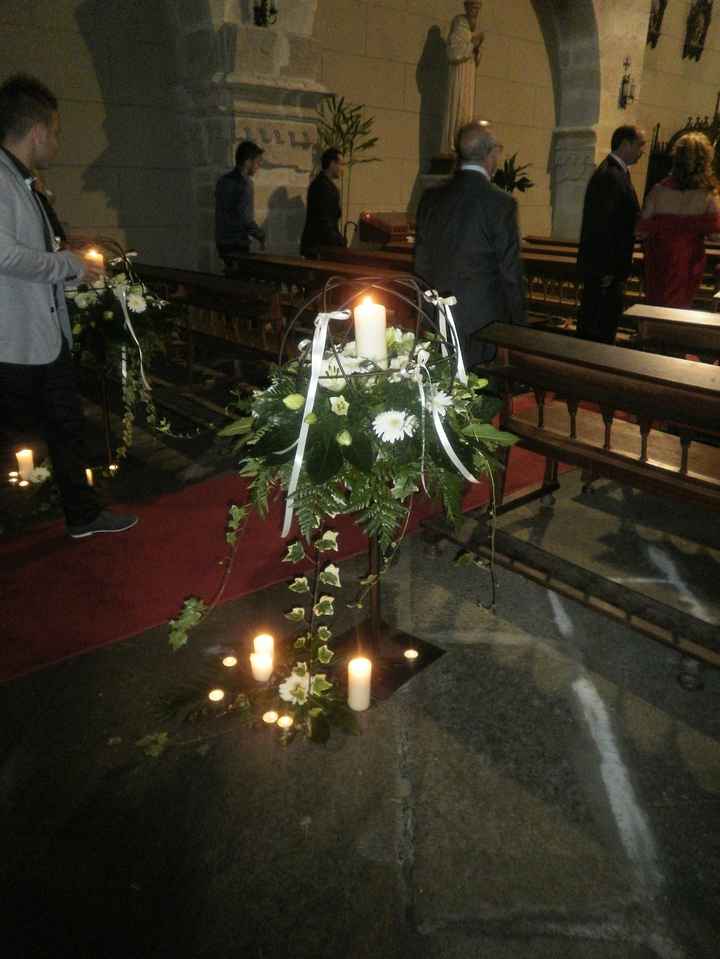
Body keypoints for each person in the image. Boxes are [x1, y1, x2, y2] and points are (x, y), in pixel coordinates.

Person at [0, 73, 137, 538]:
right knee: (26, 430)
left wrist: (66, 245)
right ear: (37, 131)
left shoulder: (22, 180)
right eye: (55, 132)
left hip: (42, 332)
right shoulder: (1, 179)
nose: (56, 142)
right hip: (15, 338)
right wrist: (66, 264)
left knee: (65, 424)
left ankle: (82, 514)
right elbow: (3, 254)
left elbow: (28, 244)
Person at [414, 121, 526, 367]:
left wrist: (425, 315)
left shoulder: (431, 198)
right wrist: (519, 327)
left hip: (438, 317)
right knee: (482, 396)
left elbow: (421, 264)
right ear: (491, 153)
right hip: (483, 325)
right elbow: (510, 274)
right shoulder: (501, 203)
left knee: (442, 396)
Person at [576, 125, 646, 344]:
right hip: (605, 269)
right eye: (640, 145)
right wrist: (606, 269)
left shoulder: (616, 173)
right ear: (625, 144)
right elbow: (602, 226)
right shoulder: (610, 175)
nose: (642, 151)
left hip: (609, 267)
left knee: (602, 322)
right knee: (598, 326)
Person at [638, 132, 720, 308]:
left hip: (659, 257)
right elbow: (715, 236)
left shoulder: (658, 190)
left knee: (656, 302)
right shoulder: (708, 194)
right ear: (705, 160)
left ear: (677, 157)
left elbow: (641, 230)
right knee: (680, 305)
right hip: (688, 259)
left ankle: (652, 332)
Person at [441, 2, 484, 155]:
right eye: (473, 8)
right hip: (459, 74)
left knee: (466, 111)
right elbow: (453, 52)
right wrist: (472, 44)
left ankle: (464, 145)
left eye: (478, 9)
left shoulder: (474, 27)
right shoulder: (459, 23)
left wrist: (477, 49)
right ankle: (452, 146)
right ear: (466, 7)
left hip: (469, 74)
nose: (475, 12)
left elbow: (476, 57)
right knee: (457, 106)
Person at [215, 140, 265, 268]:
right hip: (237, 243)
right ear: (248, 162)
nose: (259, 166)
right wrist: (260, 234)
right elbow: (245, 219)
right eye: (258, 162)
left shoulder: (223, 180)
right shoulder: (245, 184)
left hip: (222, 243)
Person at [300, 147, 346, 258]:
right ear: (332, 164)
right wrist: (339, 241)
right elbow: (324, 221)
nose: (342, 168)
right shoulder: (323, 187)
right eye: (340, 164)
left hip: (319, 245)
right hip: (320, 247)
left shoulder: (321, 183)